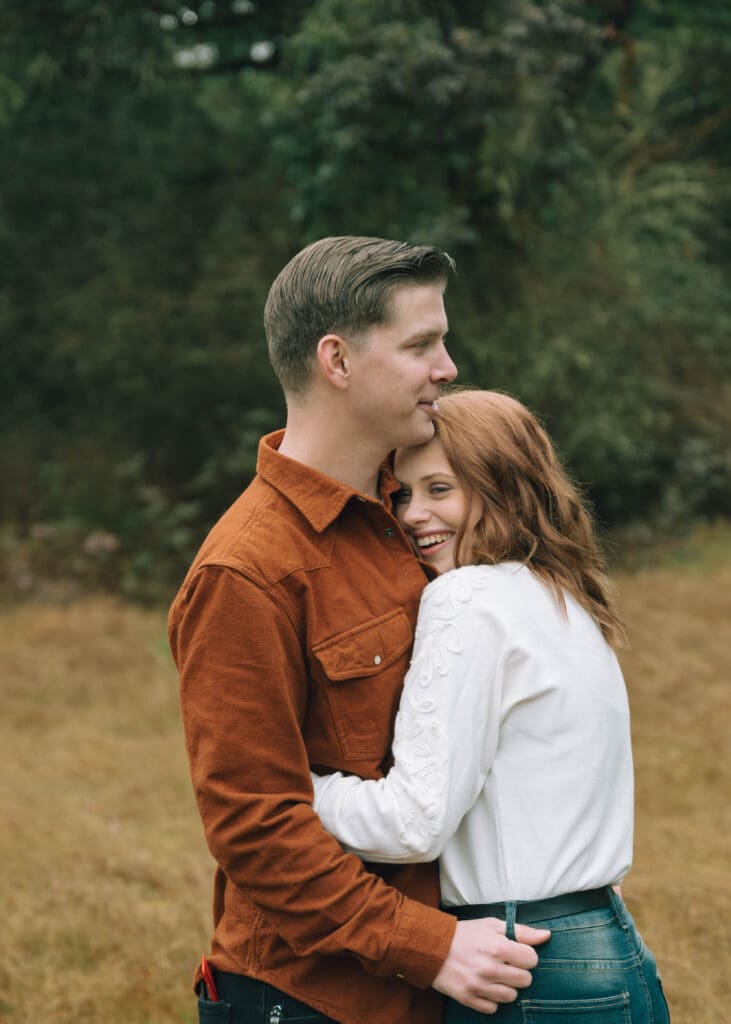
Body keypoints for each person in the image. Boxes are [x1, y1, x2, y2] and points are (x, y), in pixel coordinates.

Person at [168, 238, 550, 1024]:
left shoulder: (424, 518)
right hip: (315, 999)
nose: (447, 367)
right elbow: (254, 825)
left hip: (452, 981)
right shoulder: (245, 574)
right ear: (336, 361)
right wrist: (429, 947)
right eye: (421, 345)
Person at [311, 388, 672, 1023]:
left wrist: (294, 789)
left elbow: (412, 823)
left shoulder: (467, 598)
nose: (413, 514)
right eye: (400, 494)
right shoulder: (565, 600)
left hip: (526, 967)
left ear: (503, 488)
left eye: (440, 489)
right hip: (609, 946)